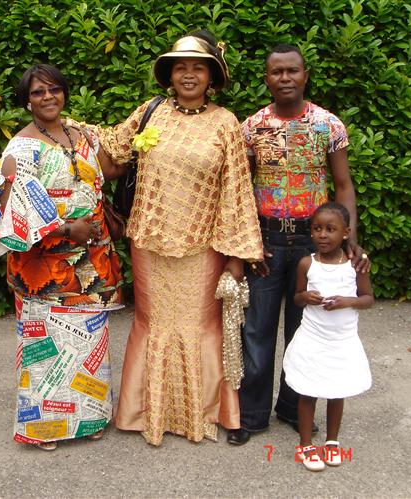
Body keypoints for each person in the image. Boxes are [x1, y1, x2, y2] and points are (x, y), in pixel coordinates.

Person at [99, 30, 263, 446]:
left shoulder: (226, 124)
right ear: (169, 75)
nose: (189, 75)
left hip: (203, 247)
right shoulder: (149, 113)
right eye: (181, 67)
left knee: (201, 327)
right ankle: (144, 414)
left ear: (212, 76)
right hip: (150, 242)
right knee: (152, 324)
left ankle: (208, 413)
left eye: (198, 67)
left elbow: (236, 192)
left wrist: (235, 256)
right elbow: (110, 148)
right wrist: (55, 130)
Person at [228, 44, 371, 446]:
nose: (285, 78)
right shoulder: (251, 127)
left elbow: (343, 185)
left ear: (305, 75)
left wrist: (349, 243)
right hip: (268, 241)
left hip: (316, 247)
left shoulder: (328, 125)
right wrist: (248, 244)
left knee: (303, 332)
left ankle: (293, 409)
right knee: (255, 331)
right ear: (267, 78)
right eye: (277, 72)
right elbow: (240, 192)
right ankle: (252, 416)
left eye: (292, 71)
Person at [0, 64, 124, 451]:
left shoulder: (83, 135)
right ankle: (44, 427)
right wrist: (65, 228)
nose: (48, 98)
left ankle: (89, 418)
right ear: (26, 101)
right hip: (44, 267)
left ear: (64, 92)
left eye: (54, 90)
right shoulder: (21, 148)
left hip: (91, 263)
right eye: (37, 93)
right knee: (46, 345)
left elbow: (110, 171)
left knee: (89, 344)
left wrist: (146, 142)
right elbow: (12, 213)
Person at [283, 202, 373, 471]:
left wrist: (348, 301)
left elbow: (368, 299)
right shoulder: (306, 264)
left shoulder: (355, 266)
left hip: (342, 340)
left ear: (345, 233)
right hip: (313, 339)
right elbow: (296, 298)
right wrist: (306, 297)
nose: (322, 235)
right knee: (308, 391)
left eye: (330, 229)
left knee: (337, 391)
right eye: (317, 229)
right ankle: (306, 445)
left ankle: (332, 442)